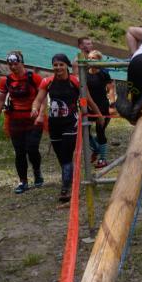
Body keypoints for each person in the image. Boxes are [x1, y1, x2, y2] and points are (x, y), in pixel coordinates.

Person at [32, 54, 102, 202]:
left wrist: (98, 114)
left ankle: (66, 188)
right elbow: (38, 99)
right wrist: (35, 109)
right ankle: (68, 177)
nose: (58, 68)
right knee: (61, 157)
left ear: (66, 66)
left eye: (61, 65)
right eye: (55, 65)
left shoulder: (76, 81)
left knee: (66, 155)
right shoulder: (47, 82)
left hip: (71, 122)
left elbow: (86, 99)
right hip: (54, 123)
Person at [0, 51, 44, 194]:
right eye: (10, 64)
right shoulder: (6, 80)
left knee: (32, 148)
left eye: (16, 63)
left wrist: (41, 114)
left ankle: (37, 171)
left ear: (22, 63)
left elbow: (43, 97)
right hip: (15, 120)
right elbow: (1, 100)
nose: (13, 66)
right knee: (19, 152)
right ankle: (23, 181)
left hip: (34, 119)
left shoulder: (34, 77)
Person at [85, 50, 114, 168]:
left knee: (100, 131)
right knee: (84, 132)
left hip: (102, 106)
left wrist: (113, 104)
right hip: (88, 107)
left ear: (99, 60)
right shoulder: (84, 74)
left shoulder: (103, 74)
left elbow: (111, 88)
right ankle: (96, 149)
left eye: (94, 58)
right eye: (89, 58)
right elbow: (82, 92)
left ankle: (103, 159)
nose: (91, 60)